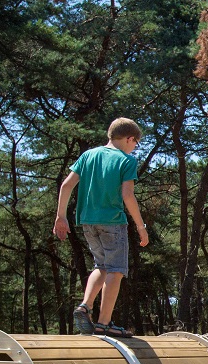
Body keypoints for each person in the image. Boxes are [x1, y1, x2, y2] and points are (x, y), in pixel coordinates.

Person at [53, 118, 149, 338]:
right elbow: (127, 195)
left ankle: (85, 306)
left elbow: (66, 185)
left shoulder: (88, 156)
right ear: (129, 139)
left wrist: (61, 216)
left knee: (101, 265)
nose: (134, 147)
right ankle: (103, 323)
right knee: (116, 270)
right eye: (136, 143)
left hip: (87, 221)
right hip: (113, 221)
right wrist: (140, 227)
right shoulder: (126, 160)